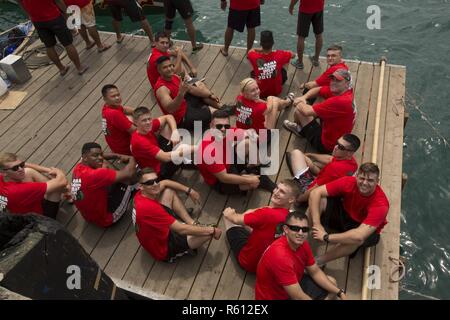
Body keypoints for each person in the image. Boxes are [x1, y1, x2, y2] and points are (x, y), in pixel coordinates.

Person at [133, 168, 222, 262]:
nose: (155, 184)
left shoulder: (140, 195)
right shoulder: (150, 208)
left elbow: (166, 182)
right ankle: (185, 250)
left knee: (168, 192)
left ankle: (192, 222)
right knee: (207, 234)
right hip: (163, 248)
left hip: (155, 233)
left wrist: (189, 191)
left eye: (156, 180)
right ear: (141, 186)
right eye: (149, 182)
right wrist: (212, 230)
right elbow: (181, 229)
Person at [308, 163, 390, 265]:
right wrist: (317, 224)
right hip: (345, 213)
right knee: (319, 200)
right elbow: (315, 193)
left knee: (356, 240)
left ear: (377, 181)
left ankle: (320, 261)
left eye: (370, 180)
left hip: (361, 226)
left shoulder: (381, 205)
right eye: (362, 178)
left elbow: (359, 235)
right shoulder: (348, 182)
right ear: (356, 176)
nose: (364, 183)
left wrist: (326, 237)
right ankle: (308, 233)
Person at [255, 211, 347, 300]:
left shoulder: (303, 244)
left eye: (304, 229)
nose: (300, 233)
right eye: (295, 228)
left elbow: (315, 272)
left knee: (332, 283)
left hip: (293, 285)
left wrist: (340, 293)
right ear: (286, 229)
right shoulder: (280, 256)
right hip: (276, 297)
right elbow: (298, 296)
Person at [223, 180, 299, 273]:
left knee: (228, 219)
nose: (276, 192)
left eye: (282, 192)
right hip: (268, 267)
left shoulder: (267, 213)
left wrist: (229, 213)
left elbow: (235, 218)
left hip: (250, 263)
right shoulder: (293, 218)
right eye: (276, 188)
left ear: (291, 199)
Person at [196, 109, 276, 195]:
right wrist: (249, 179)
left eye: (226, 126)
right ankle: (253, 177)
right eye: (219, 126)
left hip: (228, 161)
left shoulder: (226, 132)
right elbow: (224, 178)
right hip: (219, 180)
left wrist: (251, 134)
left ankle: (254, 169)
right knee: (252, 184)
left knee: (248, 143)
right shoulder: (209, 151)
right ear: (211, 126)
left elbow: (244, 133)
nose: (223, 129)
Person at [283, 69, 355, 154]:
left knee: (299, 111)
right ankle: (303, 126)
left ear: (347, 84)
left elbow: (306, 111)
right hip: (337, 135)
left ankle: (300, 130)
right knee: (321, 96)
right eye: (332, 79)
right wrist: (304, 97)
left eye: (338, 80)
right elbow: (319, 89)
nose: (333, 82)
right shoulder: (346, 92)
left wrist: (298, 101)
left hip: (327, 145)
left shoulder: (340, 101)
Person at [71, 142, 137, 227]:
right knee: (130, 179)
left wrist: (117, 156)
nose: (100, 157)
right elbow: (129, 173)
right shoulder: (95, 175)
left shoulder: (78, 168)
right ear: (84, 157)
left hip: (88, 215)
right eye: (95, 155)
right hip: (106, 218)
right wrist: (132, 158)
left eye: (100, 154)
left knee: (103, 163)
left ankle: (113, 178)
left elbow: (101, 156)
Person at [155, 56, 226, 131]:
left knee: (201, 91)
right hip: (182, 118)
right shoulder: (161, 89)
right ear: (159, 70)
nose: (169, 69)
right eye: (165, 67)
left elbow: (191, 89)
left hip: (186, 104)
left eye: (170, 65)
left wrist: (210, 94)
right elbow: (170, 109)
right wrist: (181, 93)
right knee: (205, 116)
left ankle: (222, 108)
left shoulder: (174, 76)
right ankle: (200, 129)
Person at [18, 0, 88, 76]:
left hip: (37, 21)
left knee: (49, 46)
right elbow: (58, 1)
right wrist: (68, 13)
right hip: (54, 18)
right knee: (68, 43)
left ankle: (62, 69)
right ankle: (79, 67)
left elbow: (20, 2)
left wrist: (29, 15)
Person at [286, 133, 360, 203]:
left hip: (313, 190)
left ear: (350, 153)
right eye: (337, 143)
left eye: (341, 147)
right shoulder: (353, 163)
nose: (335, 147)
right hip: (329, 184)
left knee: (296, 153)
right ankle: (306, 164)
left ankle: (299, 175)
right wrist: (311, 155)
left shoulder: (334, 169)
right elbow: (330, 159)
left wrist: (299, 199)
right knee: (309, 160)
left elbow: (314, 189)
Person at [130, 106, 193, 179]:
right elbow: (166, 158)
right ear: (136, 123)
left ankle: (182, 158)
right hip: (157, 171)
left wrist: (175, 132)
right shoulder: (139, 141)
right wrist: (193, 148)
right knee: (186, 149)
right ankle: (183, 160)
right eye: (144, 120)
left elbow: (168, 117)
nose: (148, 122)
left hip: (157, 155)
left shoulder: (145, 127)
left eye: (149, 119)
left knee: (167, 127)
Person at [0, 152, 68, 218]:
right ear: (3, 173)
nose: (21, 169)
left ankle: (67, 191)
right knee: (57, 188)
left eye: (21, 165)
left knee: (28, 171)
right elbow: (62, 182)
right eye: (15, 168)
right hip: (38, 220)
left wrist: (48, 170)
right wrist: (58, 171)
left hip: (15, 211)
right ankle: (67, 191)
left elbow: (26, 165)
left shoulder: (3, 176)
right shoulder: (18, 190)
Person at [247, 30, 295, 98]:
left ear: (261, 44)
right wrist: (281, 52)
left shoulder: (253, 55)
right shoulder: (280, 54)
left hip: (260, 92)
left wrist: (260, 50)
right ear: (273, 43)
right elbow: (293, 55)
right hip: (276, 91)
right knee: (285, 60)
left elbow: (250, 51)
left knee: (253, 64)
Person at [101, 84, 136, 156]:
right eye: (113, 96)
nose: (117, 98)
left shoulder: (106, 107)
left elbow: (124, 109)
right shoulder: (114, 114)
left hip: (115, 146)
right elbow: (135, 131)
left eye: (118, 95)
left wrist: (140, 112)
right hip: (126, 150)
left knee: (131, 116)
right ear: (105, 99)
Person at [289, 0, 324, 69]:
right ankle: (316, 59)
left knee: (301, 37)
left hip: (305, 10)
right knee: (319, 35)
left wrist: (291, 6)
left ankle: (300, 62)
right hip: (319, 8)